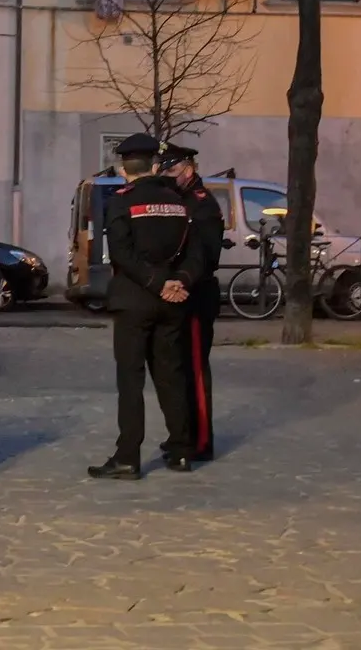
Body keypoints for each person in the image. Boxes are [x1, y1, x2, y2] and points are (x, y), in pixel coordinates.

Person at [88, 133, 204, 481]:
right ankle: (181, 452)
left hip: (134, 300)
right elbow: (195, 253)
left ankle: (127, 458)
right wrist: (177, 281)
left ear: (125, 170)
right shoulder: (180, 201)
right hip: (173, 302)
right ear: (156, 165)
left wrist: (155, 283)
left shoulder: (121, 202)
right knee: (171, 376)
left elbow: (122, 254)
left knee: (131, 380)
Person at [157, 142, 223, 462]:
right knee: (178, 368)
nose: (167, 176)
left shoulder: (202, 204)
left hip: (196, 295)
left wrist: (182, 281)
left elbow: (207, 256)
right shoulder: (179, 201)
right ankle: (182, 434)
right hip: (180, 294)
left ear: (188, 169)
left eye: (171, 170)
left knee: (195, 369)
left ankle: (200, 441)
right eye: (163, 171)